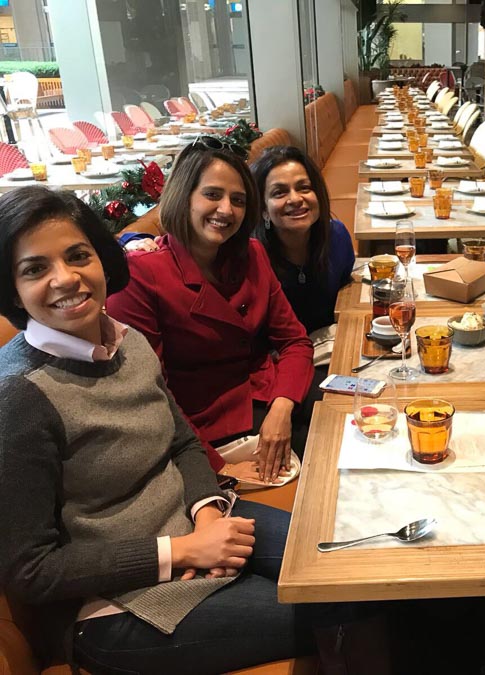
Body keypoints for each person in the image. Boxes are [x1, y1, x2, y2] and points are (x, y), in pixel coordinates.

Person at [0, 186, 386, 675]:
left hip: (197, 525)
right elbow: (29, 570)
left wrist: (206, 515)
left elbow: (181, 441)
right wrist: (180, 550)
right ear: (10, 288)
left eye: (79, 256)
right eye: (35, 268)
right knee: (342, 604)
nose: (66, 278)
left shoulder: (124, 339)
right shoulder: (20, 395)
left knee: (360, 570)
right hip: (114, 605)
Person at [106, 138, 314, 483]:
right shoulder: (140, 277)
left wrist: (283, 404)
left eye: (238, 200)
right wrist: (220, 468)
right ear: (184, 197)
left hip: (266, 396)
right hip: (204, 431)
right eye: (212, 195)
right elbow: (151, 395)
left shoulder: (251, 254)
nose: (227, 210)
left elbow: (295, 341)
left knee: (350, 422)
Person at [251, 145, 355, 336]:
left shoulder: (337, 237)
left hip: (331, 345)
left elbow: (346, 293)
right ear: (263, 210)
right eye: (279, 192)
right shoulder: (251, 259)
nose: (295, 199)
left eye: (304, 188)